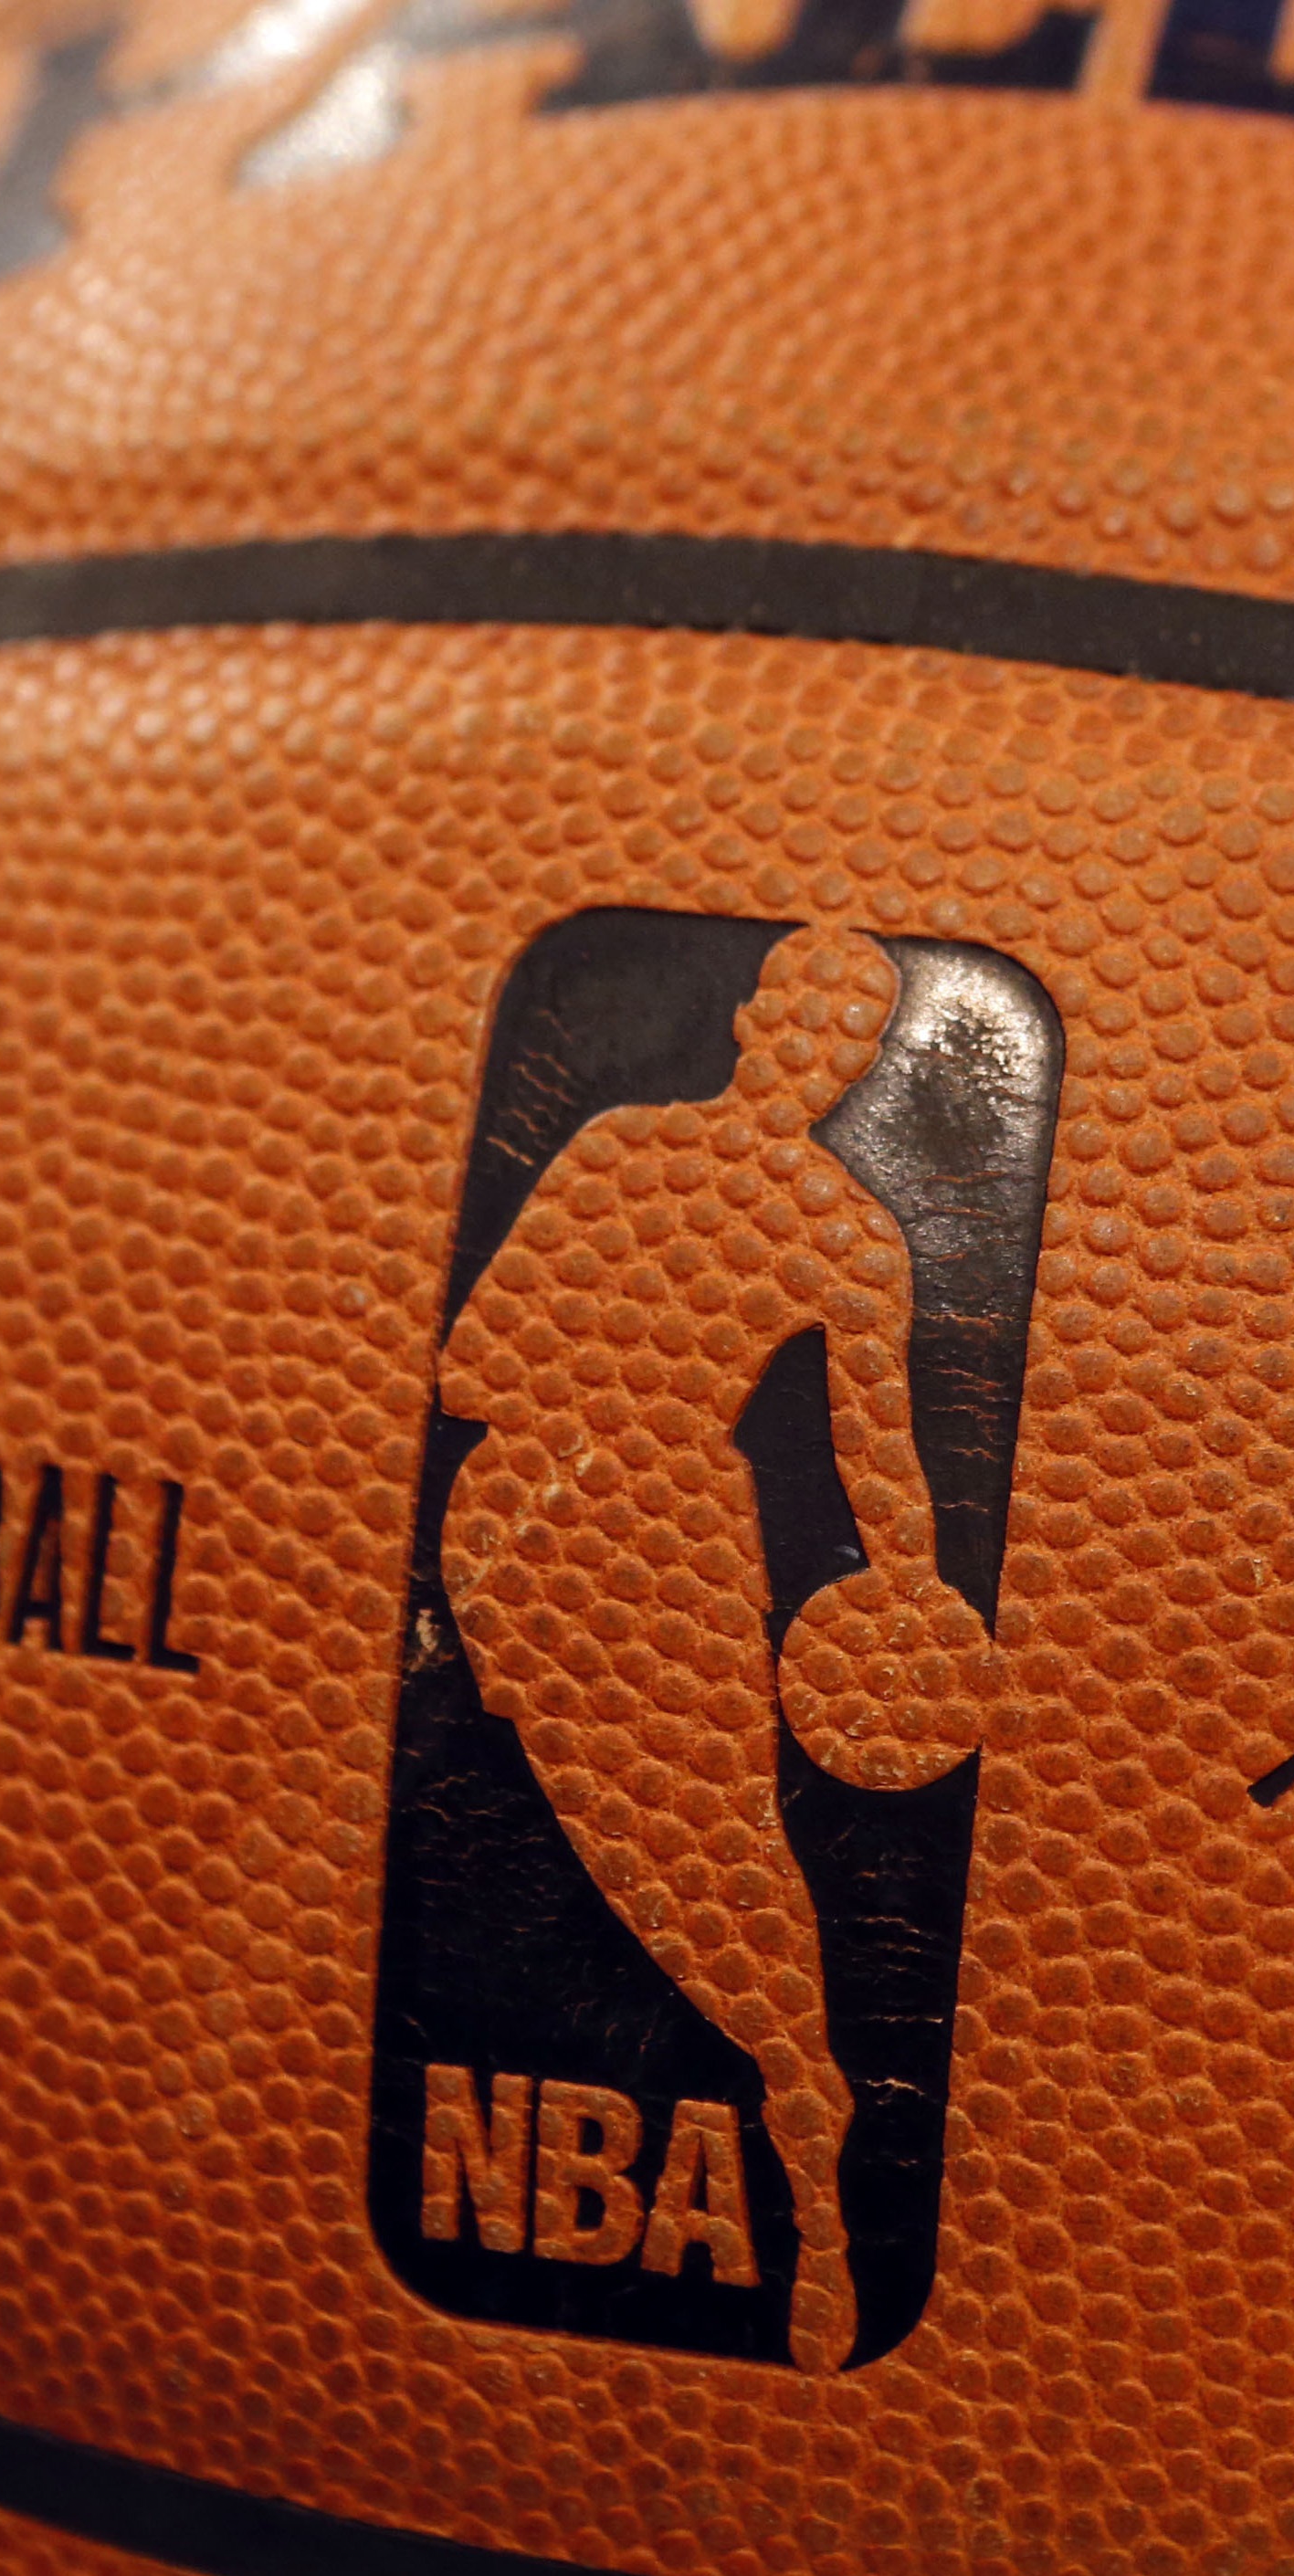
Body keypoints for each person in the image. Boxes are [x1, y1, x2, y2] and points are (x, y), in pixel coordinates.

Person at [437, 923, 982, 2373]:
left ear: (863, 1062)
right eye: (805, 1009)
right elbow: (471, 1366)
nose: (821, 1045)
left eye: (850, 1030)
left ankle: (803, 2120)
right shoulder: (619, 1150)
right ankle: (794, 2093)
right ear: (753, 1016)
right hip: (536, 1515)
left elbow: (880, 1446)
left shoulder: (851, 1232)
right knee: (622, 1838)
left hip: (671, 1525)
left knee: (717, 1845)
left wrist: (915, 1600)